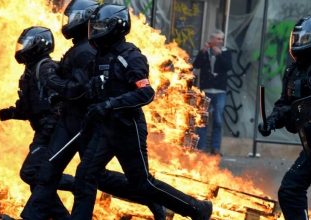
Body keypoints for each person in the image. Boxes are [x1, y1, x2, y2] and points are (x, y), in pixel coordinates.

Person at [20, 1, 166, 219]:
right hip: (75, 121)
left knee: (81, 176)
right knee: (67, 174)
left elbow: (80, 90)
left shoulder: (87, 51)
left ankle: (150, 197)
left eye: (72, 18)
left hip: (82, 122)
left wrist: (54, 82)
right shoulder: (81, 49)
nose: (68, 23)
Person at [70, 4, 213, 220]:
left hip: (127, 128)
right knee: (86, 176)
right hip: (105, 128)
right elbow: (96, 86)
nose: (96, 31)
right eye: (94, 26)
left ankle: (196, 209)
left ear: (116, 27)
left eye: (100, 26)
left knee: (142, 183)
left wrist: (109, 104)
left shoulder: (131, 56)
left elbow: (146, 93)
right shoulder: (99, 57)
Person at [0, 26, 73, 220]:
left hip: (53, 132)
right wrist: (12, 113)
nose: (21, 48)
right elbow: (31, 107)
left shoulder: (46, 68)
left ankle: (80, 183)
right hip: (43, 131)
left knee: (33, 173)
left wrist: (51, 127)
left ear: (38, 45)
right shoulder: (29, 73)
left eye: (26, 44)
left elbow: (60, 99)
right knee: (36, 178)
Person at [258, 15, 311, 220]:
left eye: (305, 38)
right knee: (290, 190)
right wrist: (272, 121)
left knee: (292, 188)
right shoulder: (293, 70)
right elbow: (285, 103)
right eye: (297, 38)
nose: (298, 43)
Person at [192, 30, 232, 155]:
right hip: (206, 90)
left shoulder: (226, 52)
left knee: (218, 120)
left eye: (221, 39)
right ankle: (200, 148)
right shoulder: (205, 51)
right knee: (203, 119)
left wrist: (220, 55)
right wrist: (203, 52)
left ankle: (215, 148)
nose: (220, 41)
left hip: (220, 91)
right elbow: (196, 65)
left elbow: (228, 67)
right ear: (212, 39)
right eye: (218, 39)